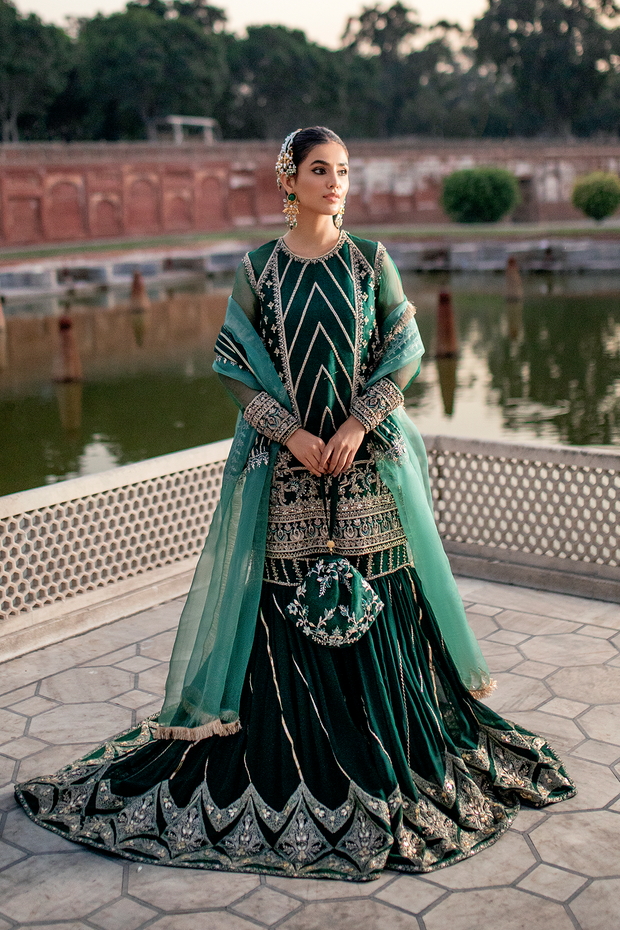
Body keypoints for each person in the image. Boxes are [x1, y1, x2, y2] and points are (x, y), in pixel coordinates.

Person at [15, 127, 574, 880]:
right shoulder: (260, 271)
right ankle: (294, 753)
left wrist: (353, 425)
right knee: (287, 608)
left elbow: (404, 348)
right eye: (320, 170)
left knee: (377, 594)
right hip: (286, 471)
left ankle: (388, 743)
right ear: (290, 178)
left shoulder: (371, 260)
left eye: (343, 171)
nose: (335, 182)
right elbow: (233, 362)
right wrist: (290, 434)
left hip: (366, 462)